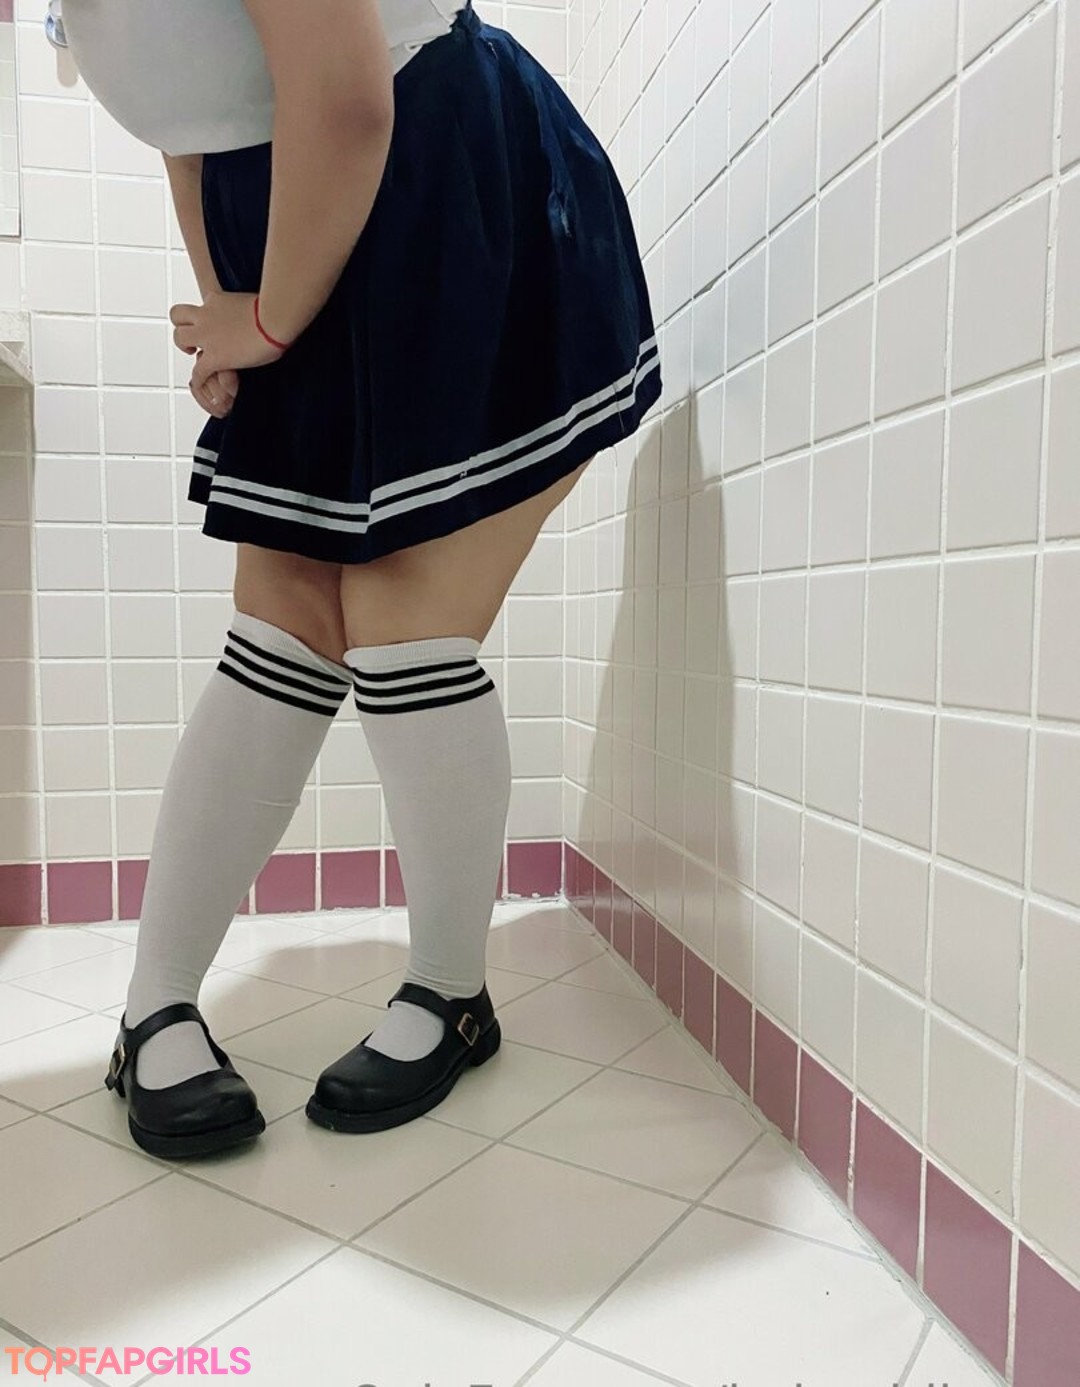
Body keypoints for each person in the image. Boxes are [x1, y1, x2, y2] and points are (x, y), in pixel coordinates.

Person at [51, 0, 661, 1159]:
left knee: (401, 623)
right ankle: (154, 1003)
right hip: (306, 215)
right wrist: (232, 313)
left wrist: (270, 322)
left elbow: (343, 96)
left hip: (439, 187)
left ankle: (451, 990)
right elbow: (192, 126)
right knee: (282, 620)